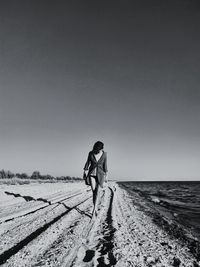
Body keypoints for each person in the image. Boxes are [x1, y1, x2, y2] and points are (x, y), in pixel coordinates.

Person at [83, 141, 108, 218]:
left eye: (99, 149)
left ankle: (94, 209)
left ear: (101, 148)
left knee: (97, 192)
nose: (98, 151)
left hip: (101, 175)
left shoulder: (104, 154)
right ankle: (95, 208)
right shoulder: (91, 153)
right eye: (97, 149)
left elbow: (105, 165)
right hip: (91, 174)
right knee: (94, 192)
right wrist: (85, 171)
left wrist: (106, 176)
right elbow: (88, 162)